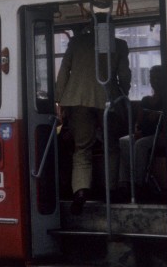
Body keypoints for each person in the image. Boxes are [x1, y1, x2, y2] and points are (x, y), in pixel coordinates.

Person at [55, 22, 130, 214]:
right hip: (108, 99)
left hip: (77, 99)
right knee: (111, 146)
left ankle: (80, 191)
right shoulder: (119, 45)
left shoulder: (76, 42)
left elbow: (63, 71)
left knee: (82, 148)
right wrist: (123, 94)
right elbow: (124, 76)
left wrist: (60, 100)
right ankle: (110, 190)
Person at [116, 65, 167, 202]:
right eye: (152, 78)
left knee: (140, 145)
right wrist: (137, 130)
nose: (154, 81)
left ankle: (138, 183)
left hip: (161, 136)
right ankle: (124, 182)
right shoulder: (145, 100)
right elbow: (139, 121)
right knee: (124, 141)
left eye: (158, 78)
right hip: (146, 133)